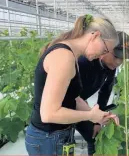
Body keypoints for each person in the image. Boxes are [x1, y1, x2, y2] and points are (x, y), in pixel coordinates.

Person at [24, 14, 119, 155]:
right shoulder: (64, 58)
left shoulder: (71, 56)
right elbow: (49, 114)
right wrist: (89, 116)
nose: (101, 56)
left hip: (55, 137)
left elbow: (73, 98)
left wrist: (98, 115)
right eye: (104, 50)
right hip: (48, 139)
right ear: (95, 36)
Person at [75, 31, 129, 155]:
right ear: (106, 48)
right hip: (65, 104)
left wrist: (97, 122)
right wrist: (92, 115)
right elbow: (70, 97)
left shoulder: (110, 67)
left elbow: (105, 92)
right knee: (63, 139)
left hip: (80, 101)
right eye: (116, 56)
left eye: (122, 58)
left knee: (93, 135)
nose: (118, 62)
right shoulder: (84, 62)